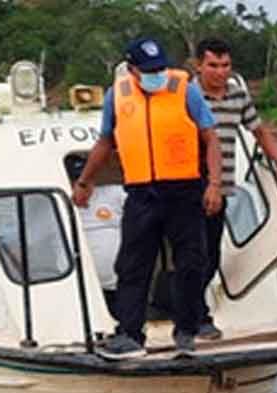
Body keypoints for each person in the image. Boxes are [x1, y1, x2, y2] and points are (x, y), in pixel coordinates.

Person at [72, 37, 222, 360]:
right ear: (132, 69)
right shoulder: (117, 96)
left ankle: (186, 331)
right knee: (132, 265)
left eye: (160, 68)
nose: (158, 75)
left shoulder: (185, 89)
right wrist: (85, 182)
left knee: (191, 262)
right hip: (141, 193)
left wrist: (214, 184)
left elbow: (210, 138)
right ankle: (130, 334)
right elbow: (104, 143)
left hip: (184, 191)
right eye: (149, 70)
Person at [192, 37, 277, 341]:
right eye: (213, 65)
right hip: (188, 187)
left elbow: (259, 131)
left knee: (209, 255)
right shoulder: (188, 96)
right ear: (199, 66)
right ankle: (196, 315)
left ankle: (194, 308)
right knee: (191, 253)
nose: (220, 72)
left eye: (225, 66)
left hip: (221, 187)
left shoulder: (238, 98)